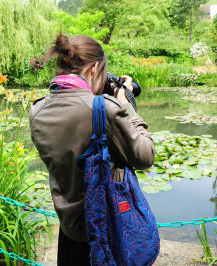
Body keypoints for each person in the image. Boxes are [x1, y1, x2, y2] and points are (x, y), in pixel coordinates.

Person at [29, 34, 156, 266]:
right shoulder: (105, 109)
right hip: (106, 232)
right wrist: (127, 106)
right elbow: (145, 156)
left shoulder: (37, 110)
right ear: (95, 67)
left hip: (69, 231)